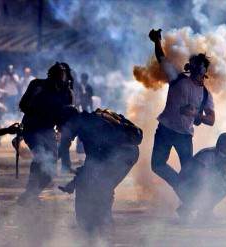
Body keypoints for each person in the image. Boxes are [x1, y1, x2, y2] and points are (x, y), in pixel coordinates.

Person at [148, 29, 215, 196]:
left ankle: (189, 203)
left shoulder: (206, 94)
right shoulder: (177, 79)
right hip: (165, 129)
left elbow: (211, 120)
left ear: (202, 69)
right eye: (192, 63)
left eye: (196, 64)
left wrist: (194, 115)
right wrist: (157, 41)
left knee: (188, 173)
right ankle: (181, 187)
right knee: (157, 165)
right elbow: (161, 58)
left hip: (184, 135)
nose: (192, 66)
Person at [57, 106, 142, 231]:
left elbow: (95, 163)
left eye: (62, 127)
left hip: (124, 155)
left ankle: (96, 225)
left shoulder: (88, 130)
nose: (62, 131)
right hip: (128, 152)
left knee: (101, 185)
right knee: (100, 184)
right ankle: (100, 223)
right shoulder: (92, 118)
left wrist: (76, 182)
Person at [17, 62, 73, 205]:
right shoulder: (37, 85)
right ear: (50, 76)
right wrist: (38, 112)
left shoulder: (66, 92)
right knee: (40, 156)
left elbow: (66, 116)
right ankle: (30, 192)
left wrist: (62, 131)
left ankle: (32, 193)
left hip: (48, 131)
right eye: (57, 75)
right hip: (32, 128)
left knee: (51, 169)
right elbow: (23, 105)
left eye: (62, 76)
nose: (60, 79)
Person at [177, 133, 226, 220]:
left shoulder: (224, 156)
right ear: (222, 146)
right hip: (186, 186)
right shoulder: (207, 155)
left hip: (197, 186)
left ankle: (205, 210)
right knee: (217, 182)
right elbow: (198, 175)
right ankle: (187, 208)